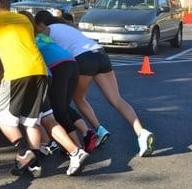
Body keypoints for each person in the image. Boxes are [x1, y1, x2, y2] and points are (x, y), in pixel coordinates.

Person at [0, 0, 88, 178]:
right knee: (36, 120)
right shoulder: (24, 20)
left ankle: (24, 150)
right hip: (41, 72)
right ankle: (71, 154)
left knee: (2, 117)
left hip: (18, 75)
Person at [33, 10, 155, 157]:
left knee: (78, 99)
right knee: (116, 99)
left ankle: (97, 129)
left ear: (41, 24)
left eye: (37, 27)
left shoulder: (47, 30)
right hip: (100, 54)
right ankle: (141, 132)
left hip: (83, 59)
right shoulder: (67, 26)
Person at [19, 11, 97, 152]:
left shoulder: (26, 38)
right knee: (64, 106)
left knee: (58, 110)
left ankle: (76, 147)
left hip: (58, 68)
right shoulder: (42, 35)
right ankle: (87, 132)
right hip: (72, 63)